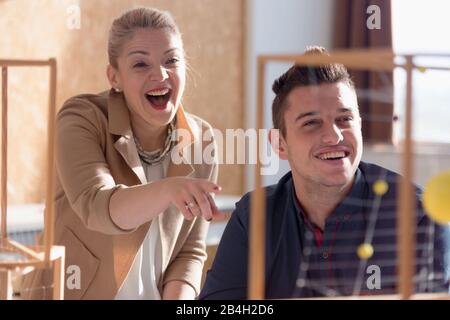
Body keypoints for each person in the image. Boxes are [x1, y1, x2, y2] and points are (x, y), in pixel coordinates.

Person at [200, 47, 450, 299]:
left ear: (360, 127)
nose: (334, 136)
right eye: (311, 122)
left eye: (345, 119)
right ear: (279, 144)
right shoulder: (253, 216)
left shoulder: (419, 214)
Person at [21, 7, 221, 300]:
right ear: (114, 77)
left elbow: (189, 251)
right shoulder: (81, 118)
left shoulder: (201, 139)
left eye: (172, 60)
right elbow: (97, 206)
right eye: (141, 64)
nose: (161, 74)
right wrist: (168, 190)